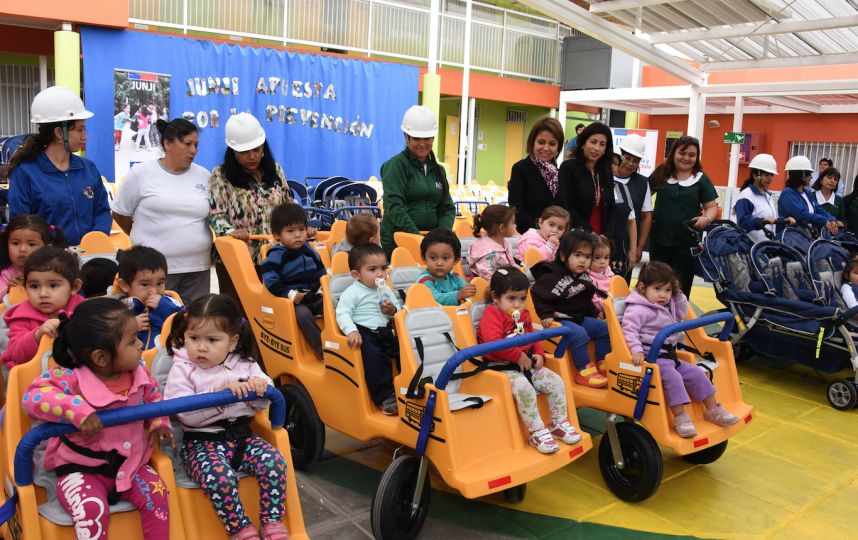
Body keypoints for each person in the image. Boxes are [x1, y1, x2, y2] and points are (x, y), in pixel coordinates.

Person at [22, 297, 174, 539]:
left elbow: (153, 395)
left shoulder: (139, 373)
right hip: (80, 471)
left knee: (157, 496)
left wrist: (158, 422)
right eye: (132, 341)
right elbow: (33, 397)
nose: (139, 346)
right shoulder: (71, 378)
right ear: (101, 358)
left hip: (133, 466)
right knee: (91, 508)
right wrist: (79, 411)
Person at [163, 294, 289, 540]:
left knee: (274, 460)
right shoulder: (183, 368)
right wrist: (219, 396)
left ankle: (272, 521)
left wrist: (258, 389)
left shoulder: (245, 362)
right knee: (219, 478)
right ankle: (240, 528)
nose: (201, 347)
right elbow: (184, 414)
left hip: (242, 436)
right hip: (201, 443)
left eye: (212, 340)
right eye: (193, 338)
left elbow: (263, 399)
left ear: (232, 342)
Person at [621, 262, 738, 437]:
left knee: (696, 373)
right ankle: (680, 416)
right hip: (652, 357)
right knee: (673, 377)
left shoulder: (668, 305)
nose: (663, 295)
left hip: (670, 356)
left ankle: (714, 409)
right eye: (658, 289)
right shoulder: (637, 309)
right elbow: (629, 330)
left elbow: (681, 313)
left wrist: (678, 294)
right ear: (642, 288)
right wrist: (636, 350)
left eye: (668, 290)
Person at [477, 266, 583, 454]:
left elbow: (532, 337)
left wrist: (539, 354)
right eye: (511, 298)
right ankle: (536, 431)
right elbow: (493, 343)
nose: (517, 304)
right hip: (500, 369)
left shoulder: (524, 315)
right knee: (524, 388)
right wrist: (518, 356)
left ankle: (558, 423)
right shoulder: (492, 315)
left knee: (555, 381)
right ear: (495, 297)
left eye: (522, 298)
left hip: (526, 365)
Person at [112, 118, 212, 304]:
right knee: (158, 324)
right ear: (167, 144)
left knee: (195, 324)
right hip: (154, 273)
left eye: (196, 145)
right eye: (187, 144)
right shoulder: (141, 173)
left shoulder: (204, 175)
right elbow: (119, 213)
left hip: (198, 267)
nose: (193, 150)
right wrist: (144, 238)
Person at [2, 86, 112, 246]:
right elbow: (21, 225)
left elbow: (102, 211)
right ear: (59, 133)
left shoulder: (88, 168)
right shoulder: (25, 173)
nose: (85, 136)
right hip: (47, 264)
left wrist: (94, 242)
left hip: (89, 260)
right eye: (80, 130)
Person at [208, 112, 293, 302]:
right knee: (238, 312)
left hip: (275, 255)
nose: (252, 156)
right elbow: (215, 215)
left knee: (274, 310)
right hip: (238, 259)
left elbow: (288, 205)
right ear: (233, 151)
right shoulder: (221, 175)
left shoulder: (276, 170)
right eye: (245, 152)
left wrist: (300, 226)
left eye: (256, 149)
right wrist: (232, 232)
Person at [531, 230, 609, 388]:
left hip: (577, 317)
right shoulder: (551, 277)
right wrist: (546, 313)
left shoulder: (584, 277)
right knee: (579, 334)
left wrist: (594, 313)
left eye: (587, 257)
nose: (583, 261)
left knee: (604, 328)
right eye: (578, 255)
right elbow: (537, 295)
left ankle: (603, 362)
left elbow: (585, 299)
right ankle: (583, 371)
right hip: (559, 321)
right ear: (563, 256)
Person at [379, 105, 455, 257]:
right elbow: (395, 207)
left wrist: (440, 236)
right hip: (399, 243)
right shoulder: (395, 166)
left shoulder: (439, 170)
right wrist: (417, 238)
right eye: (416, 138)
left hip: (431, 246)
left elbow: (447, 207)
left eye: (427, 138)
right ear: (406, 137)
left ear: (433, 138)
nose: (422, 143)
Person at [335, 244, 402, 415]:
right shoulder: (353, 292)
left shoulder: (385, 289)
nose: (380, 273)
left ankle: (408, 385)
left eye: (383, 268)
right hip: (364, 332)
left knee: (405, 349)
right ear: (356, 275)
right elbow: (342, 312)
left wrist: (392, 311)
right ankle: (386, 397)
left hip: (385, 330)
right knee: (374, 357)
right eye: (372, 269)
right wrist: (351, 330)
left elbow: (398, 308)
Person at [648, 136, 718, 298]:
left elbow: (711, 208)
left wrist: (705, 219)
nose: (686, 158)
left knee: (681, 288)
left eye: (692, 155)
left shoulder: (701, 179)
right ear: (674, 153)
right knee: (656, 284)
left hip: (686, 244)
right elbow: (644, 197)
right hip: (659, 241)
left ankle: (678, 321)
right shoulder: (662, 172)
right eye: (682, 153)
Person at [1, 246, 84, 369]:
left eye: (53, 285)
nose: (43, 294)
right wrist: (37, 335)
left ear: (74, 287)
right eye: (34, 286)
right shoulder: (22, 316)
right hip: (36, 379)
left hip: (77, 375)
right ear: (25, 287)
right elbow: (15, 353)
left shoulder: (83, 310)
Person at [261, 203, 326, 360]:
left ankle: (338, 340)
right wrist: (289, 294)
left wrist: (323, 286)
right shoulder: (276, 254)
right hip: (292, 301)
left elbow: (321, 270)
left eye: (301, 230)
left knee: (335, 304)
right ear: (277, 235)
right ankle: (321, 349)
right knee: (303, 314)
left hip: (312, 295)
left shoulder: (309, 250)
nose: (297, 235)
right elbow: (271, 281)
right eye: (290, 231)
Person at [117, 245, 183, 349]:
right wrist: (130, 326)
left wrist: (163, 306)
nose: (154, 291)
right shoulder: (120, 307)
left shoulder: (169, 301)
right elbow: (107, 333)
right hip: (135, 360)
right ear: (125, 285)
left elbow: (186, 322)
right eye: (145, 285)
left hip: (169, 356)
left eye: (160, 283)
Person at [508, 117, 565, 234]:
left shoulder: (561, 173)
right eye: (541, 142)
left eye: (552, 144)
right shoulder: (520, 169)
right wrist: (541, 230)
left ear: (558, 147)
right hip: (531, 237)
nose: (546, 148)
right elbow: (516, 208)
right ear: (532, 142)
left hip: (558, 238)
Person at [558, 122, 616, 235]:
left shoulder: (606, 172)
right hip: (576, 236)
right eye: (593, 142)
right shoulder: (568, 168)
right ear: (583, 143)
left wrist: (606, 236)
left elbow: (612, 208)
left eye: (602, 144)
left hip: (601, 240)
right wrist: (589, 232)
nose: (596, 148)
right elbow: (565, 204)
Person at [0, 214, 67, 298]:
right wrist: (10, 291)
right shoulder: (4, 273)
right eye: (15, 243)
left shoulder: (57, 269)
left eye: (31, 244)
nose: (22, 249)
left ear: (47, 248)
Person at [614, 134, 652, 279]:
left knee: (622, 285)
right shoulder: (604, 176)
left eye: (635, 161)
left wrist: (639, 246)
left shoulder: (642, 183)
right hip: (605, 241)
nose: (630, 163)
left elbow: (646, 216)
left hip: (628, 245)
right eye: (627, 158)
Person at [732, 153, 794, 243]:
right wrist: (762, 221)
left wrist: (784, 221)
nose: (770, 178)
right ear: (755, 175)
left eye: (772, 175)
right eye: (766, 175)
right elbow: (742, 222)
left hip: (766, 247)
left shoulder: (768, 196)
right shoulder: (746, 196)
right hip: (751, 249)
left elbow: (770, 221)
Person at [776, 155, 839, 235]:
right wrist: (824, 221)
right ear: (802, 175)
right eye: (809, 174)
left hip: (805, 238)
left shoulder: (806, 192)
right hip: (790, 239)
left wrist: (832, 219)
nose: (811, 177)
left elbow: (818, 209)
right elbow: (801, 214)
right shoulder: (788, 194)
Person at [416, 228, 475, 306]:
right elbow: (434, 299)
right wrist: (458, 295)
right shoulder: (425, 280)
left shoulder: (455, 277)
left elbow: (466, 291)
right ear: (423, 258)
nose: (439, 263)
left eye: (445, 258)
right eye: (433, 258)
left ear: (456, 259)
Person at [467, 204, 519, 281]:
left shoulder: (504, 243)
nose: (515, 226)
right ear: (502, 228)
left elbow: (511, 264)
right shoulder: (489, 253)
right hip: (492, 289)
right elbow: (487, 278)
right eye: (513, 223)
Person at [588, 234, 613, 315]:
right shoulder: (587, 278)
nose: (602, 261)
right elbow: (593, 300)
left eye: (606, 257)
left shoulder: (609, 272)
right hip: (600, 311)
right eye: (597, 257)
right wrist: (608, 306)